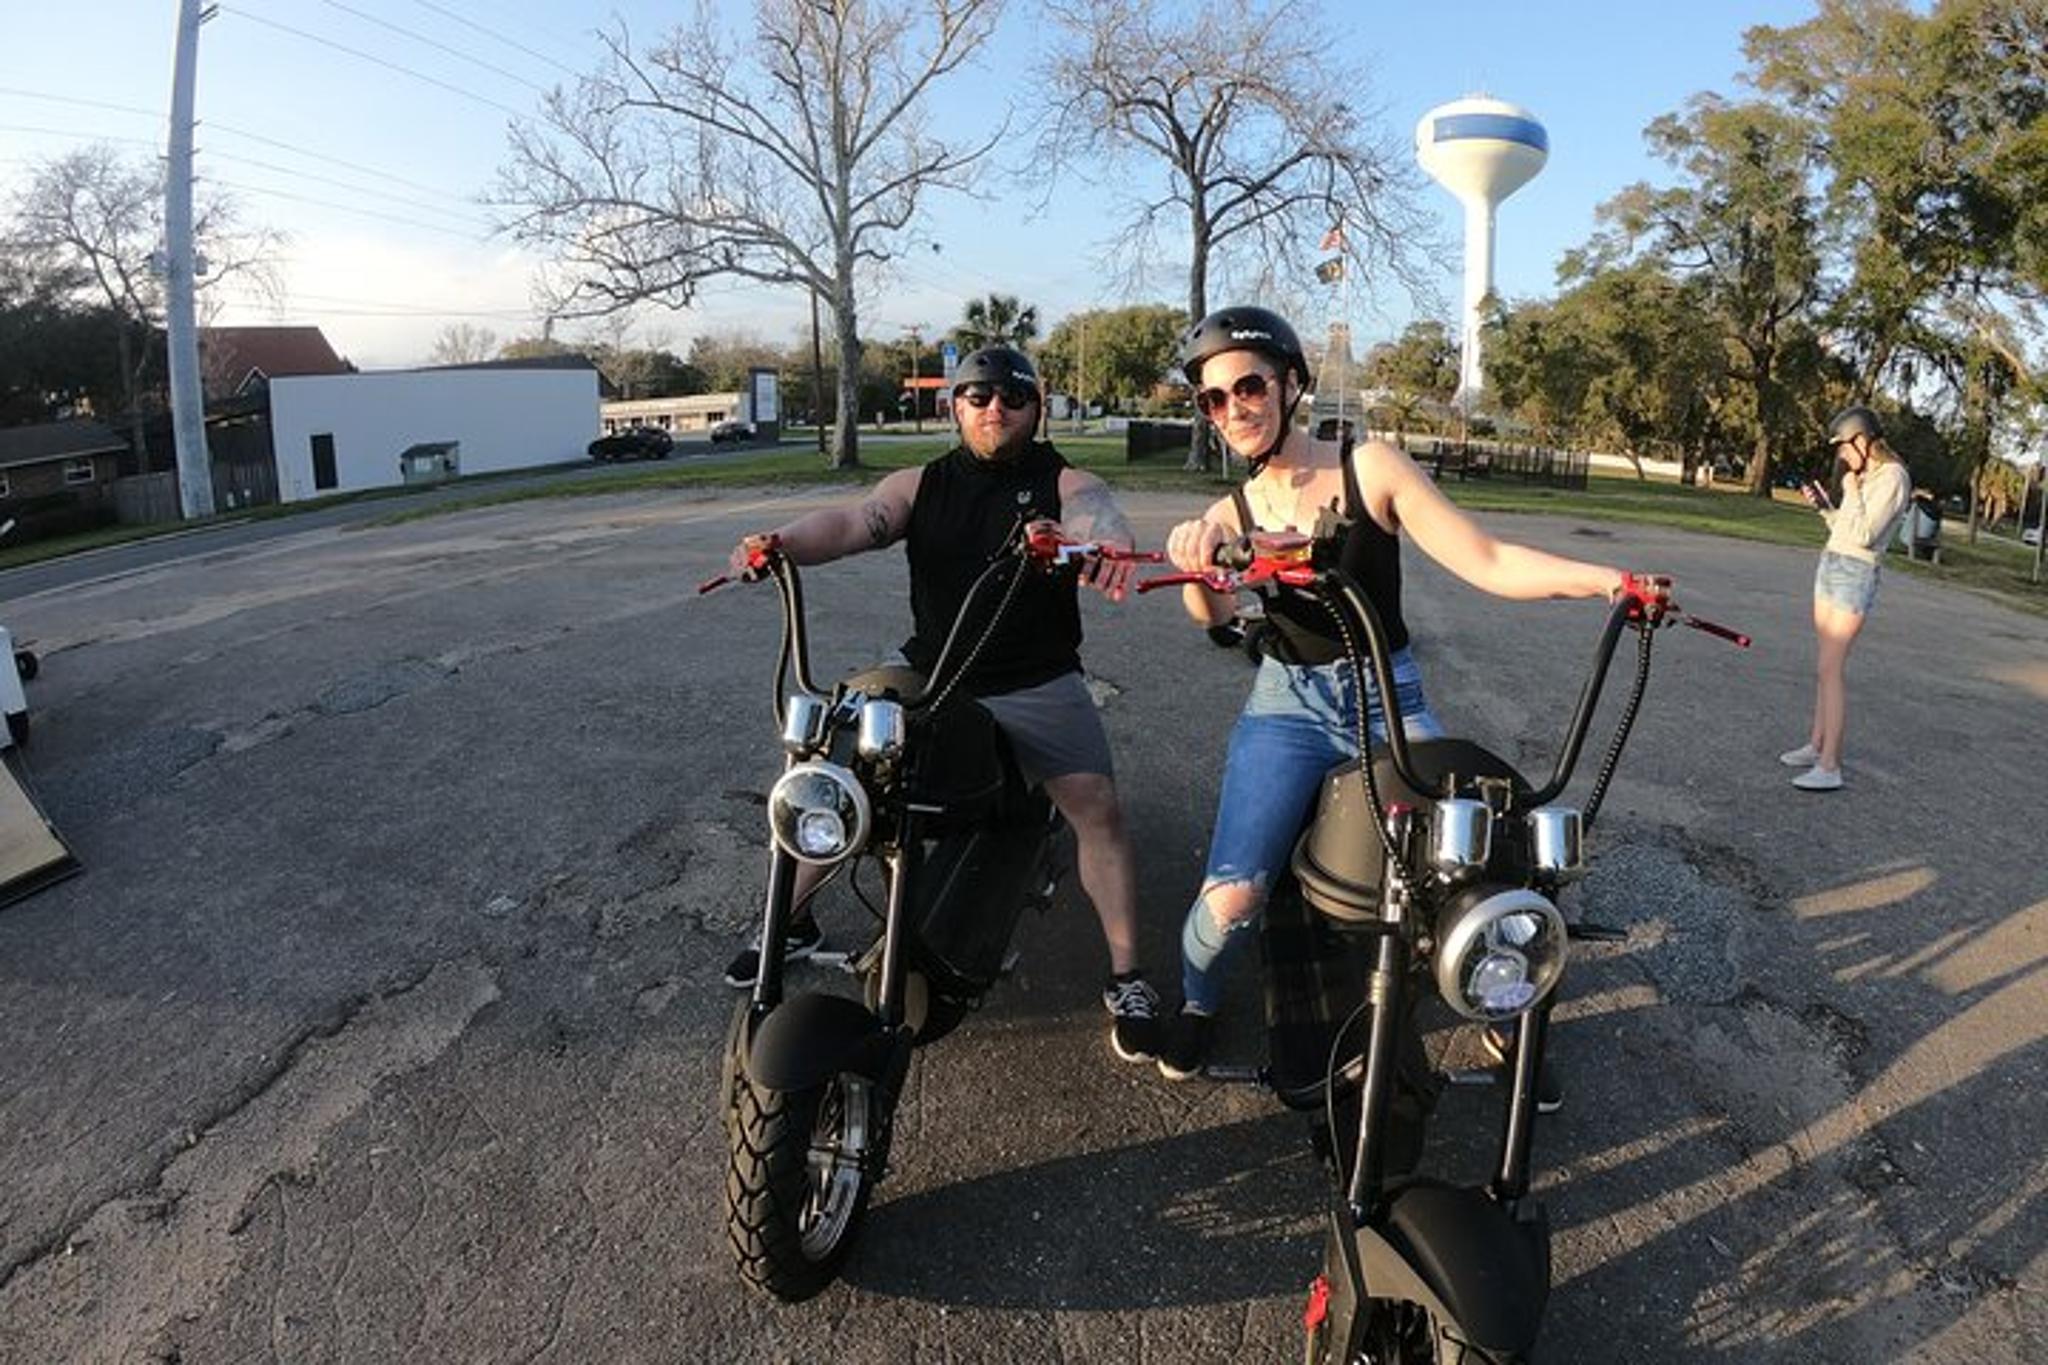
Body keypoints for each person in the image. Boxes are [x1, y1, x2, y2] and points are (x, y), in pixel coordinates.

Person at [1155, 305, 1649, 1089]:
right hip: (1287, 704)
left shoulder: (1371, 467)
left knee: (1466, 859)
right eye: (1214, 399)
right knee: (1235, 895)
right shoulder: (1228, 513)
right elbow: (1213, 615)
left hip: (1386, 691)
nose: (1233, 409)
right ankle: (1197, 998)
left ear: (1290, 384)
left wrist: (1608, 582)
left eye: (1248, 386)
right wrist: (1199, 567)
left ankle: (1503, 1007)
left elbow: (1486, 559)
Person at [719, 345, 1163, 1062]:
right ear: (955, 406)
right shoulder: (920, 484)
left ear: (1035, 407)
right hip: (933, 674)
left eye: (1012, 396)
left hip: (1037, 680)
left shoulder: (1064, 480)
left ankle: (1127, 975)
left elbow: (1099, 518)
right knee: (843, 780)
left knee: (1098, 810)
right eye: (978, 396)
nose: (995, 409)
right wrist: (780, 544)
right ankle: (787, 922)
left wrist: (1095, 546)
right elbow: (854, 522)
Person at [1779, 405, 1912, 792]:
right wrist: (1826, 508)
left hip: (1856, 572)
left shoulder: (1893, 476)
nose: (1840, 454)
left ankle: (1830, 765)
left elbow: (1866, 535)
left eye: (1843, 446)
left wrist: (1851, 489)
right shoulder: (1865, 476)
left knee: (1830, 668)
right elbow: (1846, 527)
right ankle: (1816, 744)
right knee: (1823, 666)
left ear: (1862, 440)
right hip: (1832, 562)